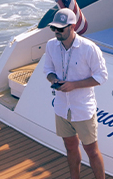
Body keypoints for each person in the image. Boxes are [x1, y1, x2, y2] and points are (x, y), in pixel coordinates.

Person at [43, 8, 108, 179]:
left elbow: (102, 76)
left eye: (60, 29)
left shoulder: (89, 48)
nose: (56, 32)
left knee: (91, 151)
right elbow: (48, 70)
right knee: (70, 146)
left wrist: (74, 85)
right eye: (53, 28)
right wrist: (53, 80)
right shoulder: (51, 45)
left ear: (72, 27)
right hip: (61, 108)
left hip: (83, 109)